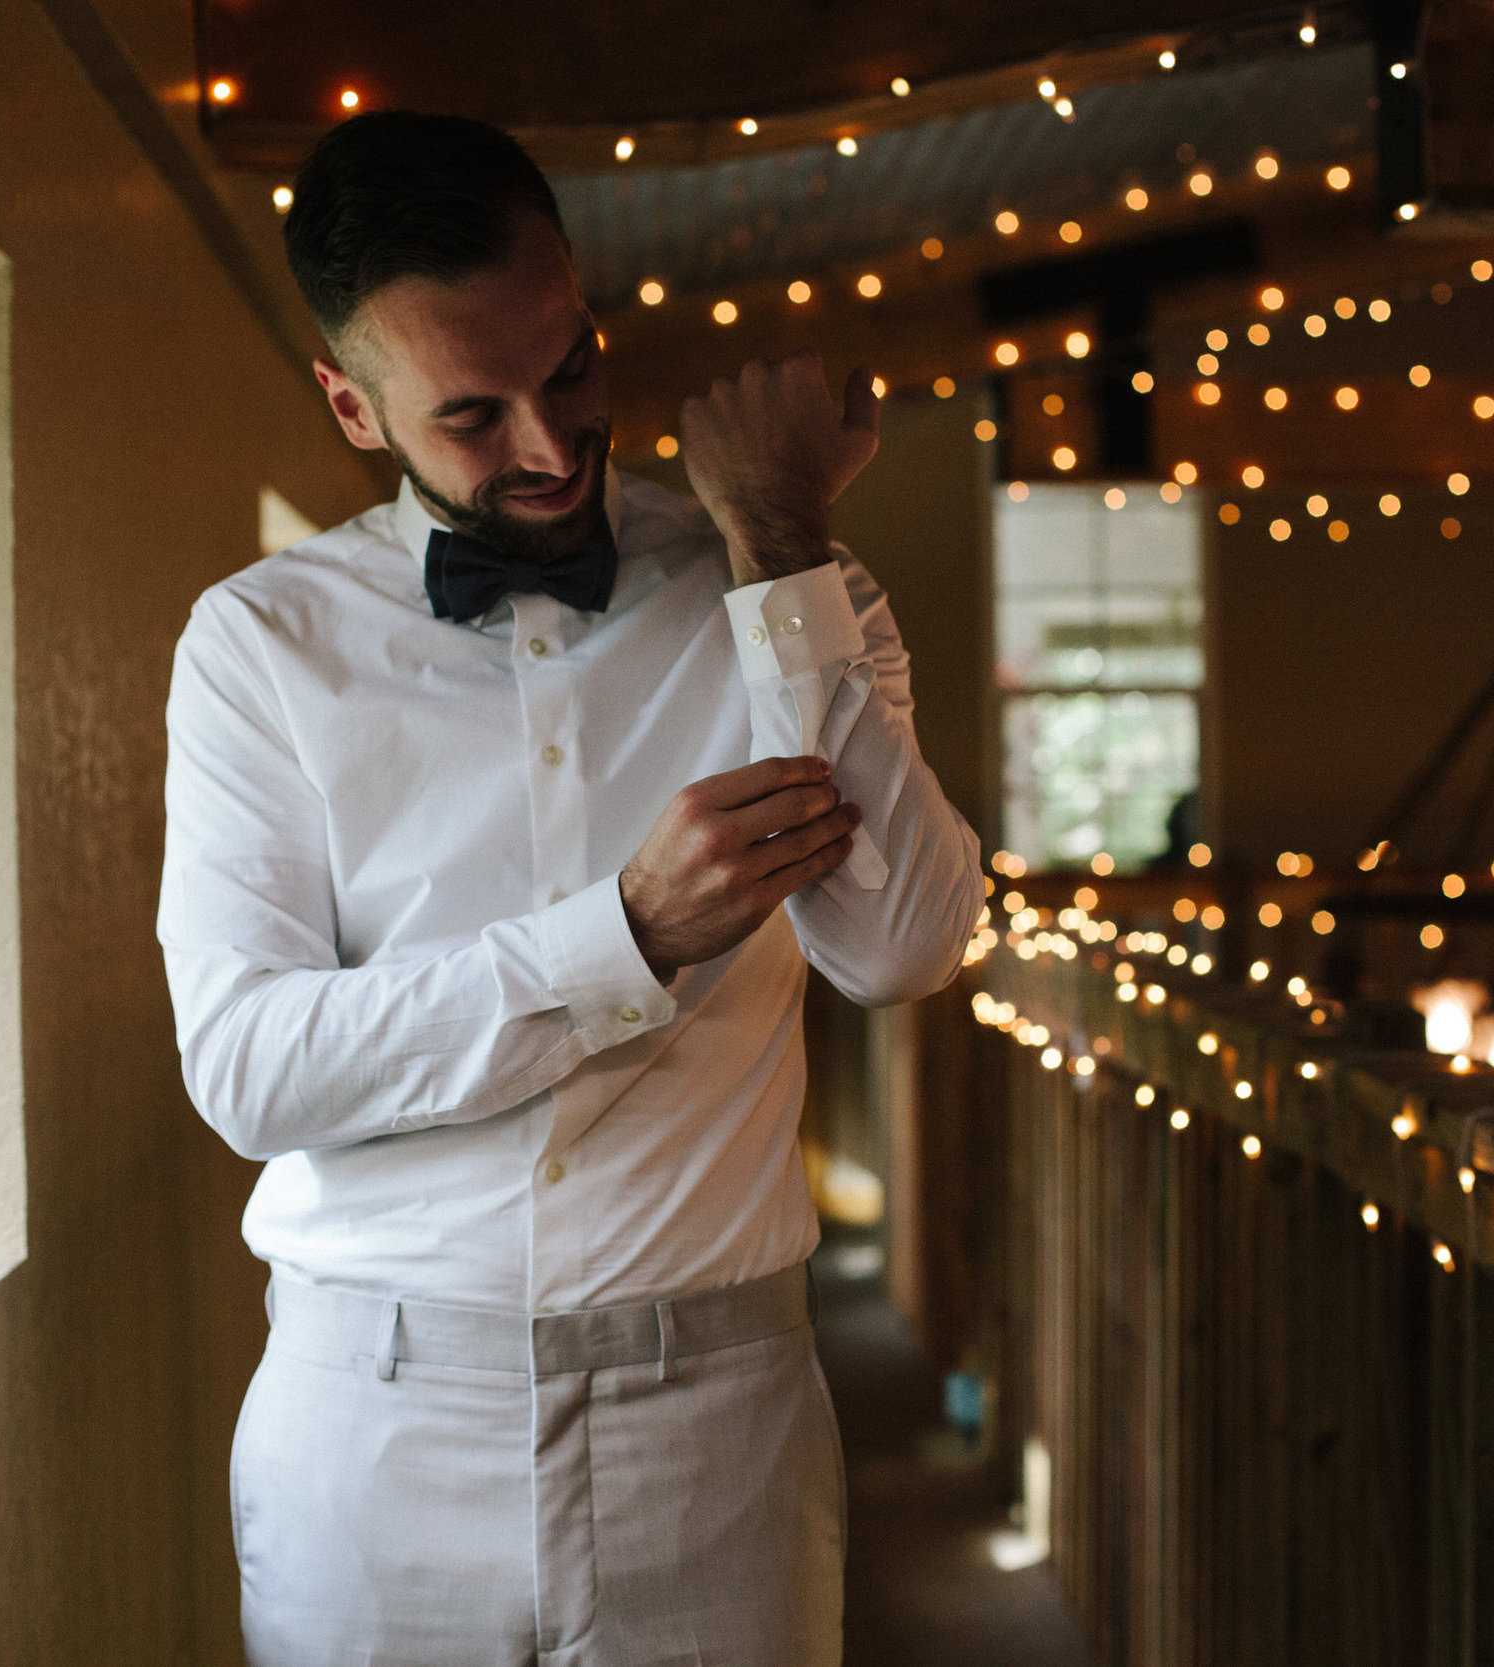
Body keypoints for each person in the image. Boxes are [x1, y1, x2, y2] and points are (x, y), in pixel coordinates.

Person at [158, 110, 983, 1667]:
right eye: (474, 414)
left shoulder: (785, 586)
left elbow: (907, 945)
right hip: (375, 1430)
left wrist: (786, 550)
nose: (551, 445)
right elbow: (252, 1069)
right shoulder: (259, 646)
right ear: (351, 405)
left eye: (575, 371)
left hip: (719, 1419)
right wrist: (624, 938)